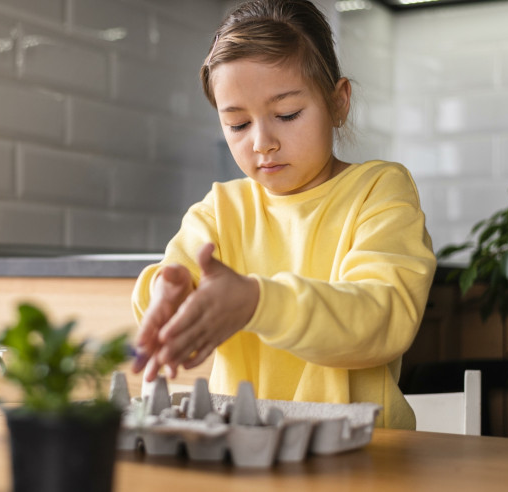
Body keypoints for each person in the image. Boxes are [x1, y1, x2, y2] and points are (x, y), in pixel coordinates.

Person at [130, 0, 436, 430]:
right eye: (237, 124)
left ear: (338, 102)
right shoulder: (222, 208)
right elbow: (172, 280)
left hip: (364, 455)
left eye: (287, 114)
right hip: (243, 451)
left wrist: (258, 302)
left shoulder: (378, 191)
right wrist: (167, 294)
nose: (262, 142)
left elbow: (382, 319)